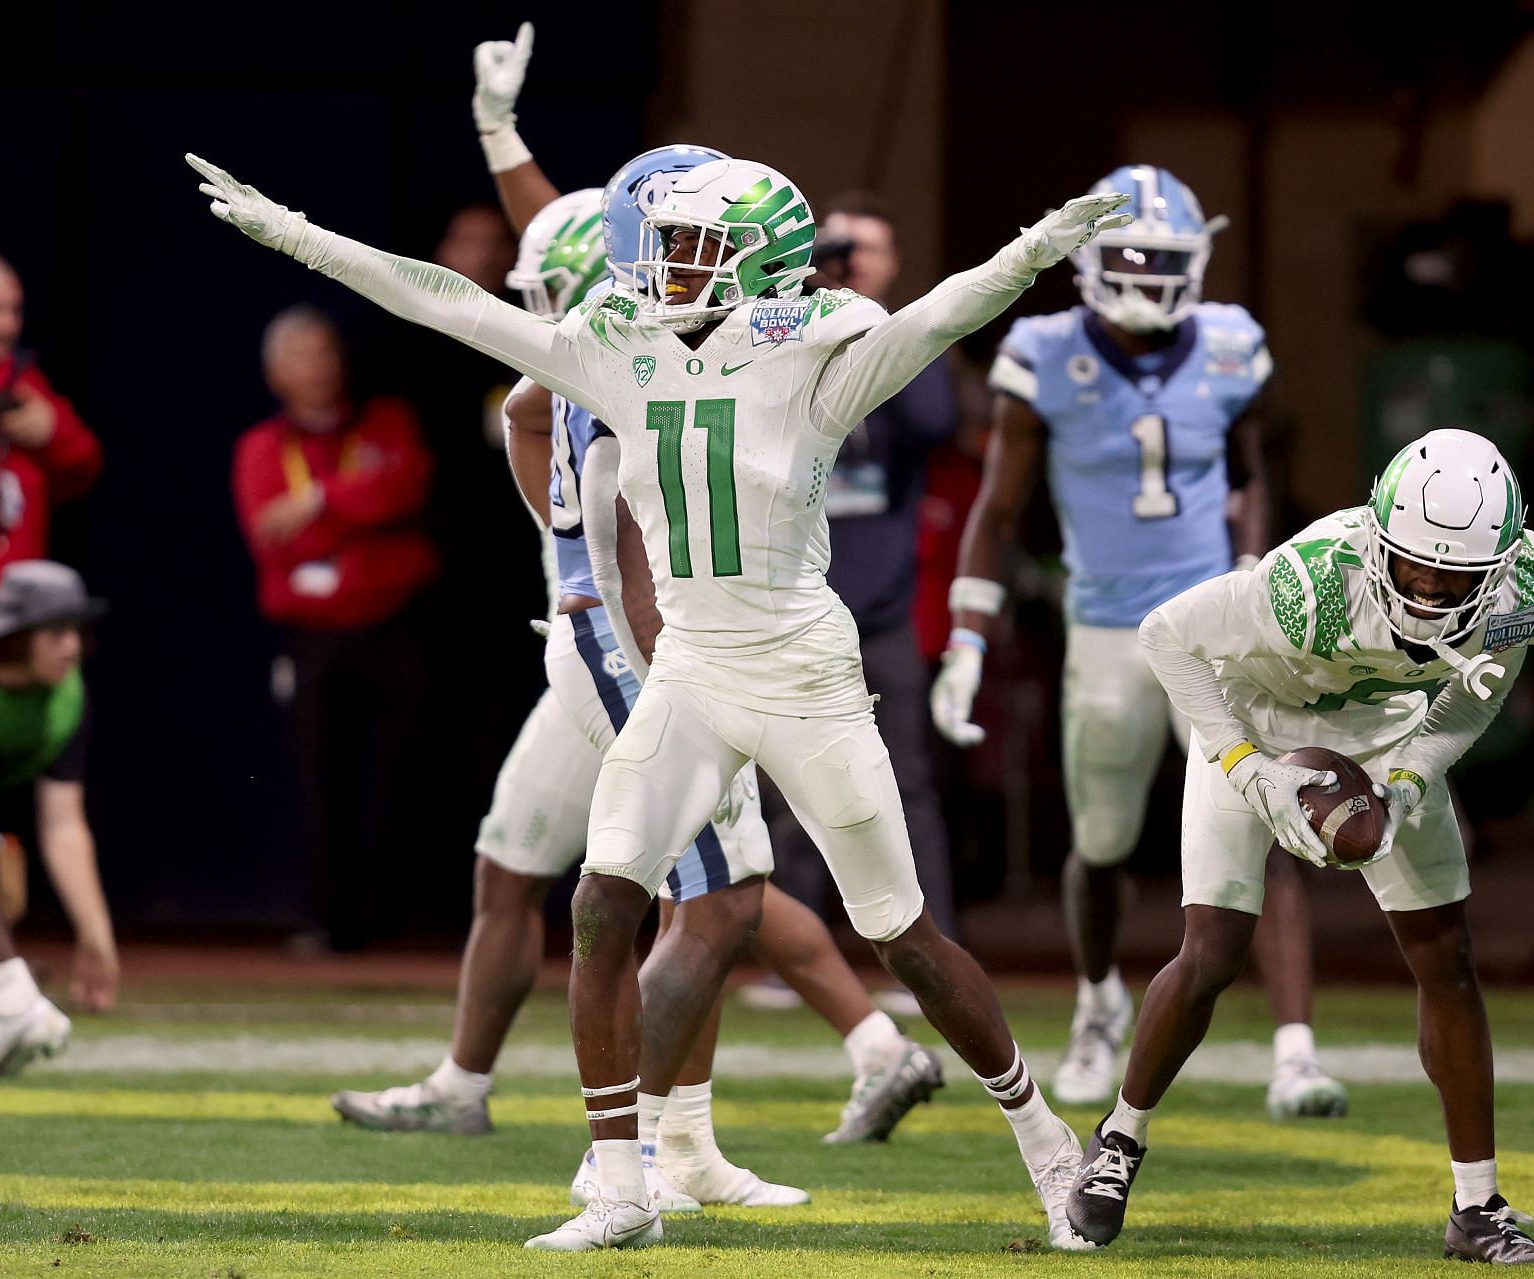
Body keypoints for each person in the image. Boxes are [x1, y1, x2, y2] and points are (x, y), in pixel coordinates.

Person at [182, 143, 1130, 1253]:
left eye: (686, 249)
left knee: (902, 933)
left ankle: (1045, 1140)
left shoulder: (818, 350)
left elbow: (939, 318)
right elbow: (451, 306)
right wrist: (296, 231)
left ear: (755, 261)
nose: (657, 268)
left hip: (804, 669)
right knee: (600, 902)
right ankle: (625, 1186)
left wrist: (1036, 249)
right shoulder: (617, 349)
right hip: (689, 665)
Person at [459, 34, 946, 1147]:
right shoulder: (624, 319)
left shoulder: (636, 337)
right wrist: (499, 132)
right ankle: (563, 1113)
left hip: (627, 637)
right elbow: (565, 247)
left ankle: (690, 1134)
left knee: (709, 886)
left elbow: (611, 502)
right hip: (606, 629)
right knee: (647, 879)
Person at [1063, 430, 1534, 1264]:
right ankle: (1117, 1141)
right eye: (1416, 569)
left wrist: (1407, 780)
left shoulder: (1528, 587)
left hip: (1391, 735)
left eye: (1457, 577)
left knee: (1448, 953)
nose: (1434, 592)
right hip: (1254, 723)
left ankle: (1477, 1206)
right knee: (1213, 948)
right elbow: (1164, 635)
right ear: (1378, 543)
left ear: (1499, 562)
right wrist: (1247, 770)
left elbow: (1478, 691)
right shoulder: (1310, 583)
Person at [933, 165, 1342, 1115]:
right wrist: (968, 639)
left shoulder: (1235, 345)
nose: (1149, 278)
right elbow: (997, 510)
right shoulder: (1043, 353)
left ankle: (1295, 1049)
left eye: (1164, 262)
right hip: (1110, 626)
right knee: (1103, 841)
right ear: (1089, 261)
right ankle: (1096, 1000)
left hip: (1215, 631)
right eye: (1130, 258)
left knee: (1267, 821)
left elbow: (1251, 483)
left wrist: (1257, 585)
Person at [764, 191, 959, 940]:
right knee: (790, 784)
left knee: (908, 781)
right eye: (837, 249)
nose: (851, 263)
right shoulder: (785, 338)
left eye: (865, 251)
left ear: (893, 263)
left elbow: (935, 421)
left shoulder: (904, 339)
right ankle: (804, 943)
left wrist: (873, 327)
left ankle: (929, 940)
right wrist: (808, 302)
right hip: (795, 601)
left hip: (882, 609)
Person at [231, 306, 439, 952]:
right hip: (313, 636)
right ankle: (332, 921)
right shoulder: (262, 448)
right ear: (274, 373)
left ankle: (401, 915)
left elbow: (407, 489)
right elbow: (271, 534)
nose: (318, 368)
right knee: (324, 779)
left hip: (394, 626)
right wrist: (359, 504)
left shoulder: (388, 423)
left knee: (402, 774)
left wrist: (321, 501)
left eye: (325, 352)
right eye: (301, 356)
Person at [0, 560, 112, 1077]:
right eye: (55, 632)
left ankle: (9, 1002)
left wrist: (94, 929)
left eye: (76, 630)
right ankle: (11, 1000)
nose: (72, 647)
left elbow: (63, 825)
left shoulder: (67, 698)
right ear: (15, 638)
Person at [0, 252, 103, 602]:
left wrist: (53, 432)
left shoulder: (26, 387)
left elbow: (84, 468)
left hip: (17, 618)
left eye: (14, 310)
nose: (8, 326)